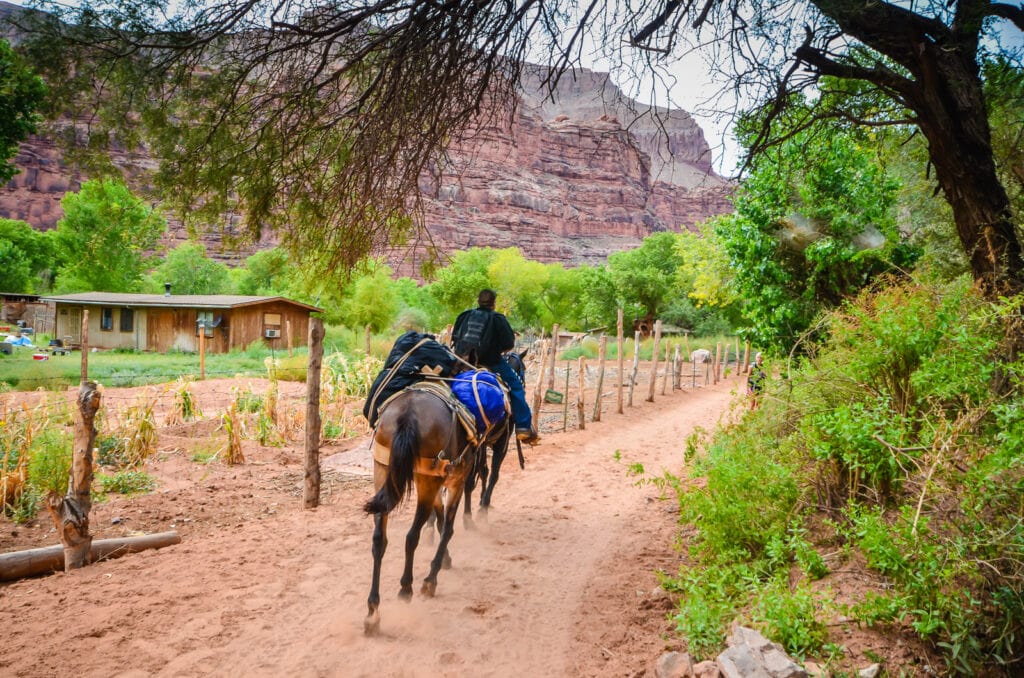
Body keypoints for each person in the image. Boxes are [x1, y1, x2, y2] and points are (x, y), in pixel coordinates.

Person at [452, 289, 540, 444]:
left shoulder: (464, 316)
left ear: (478, 301)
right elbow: (509, 344)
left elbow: (455, 338)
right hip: (491, 362)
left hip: (462, 364)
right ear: (493, 303)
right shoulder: (498, 319)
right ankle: (523, 428)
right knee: (516, 386)